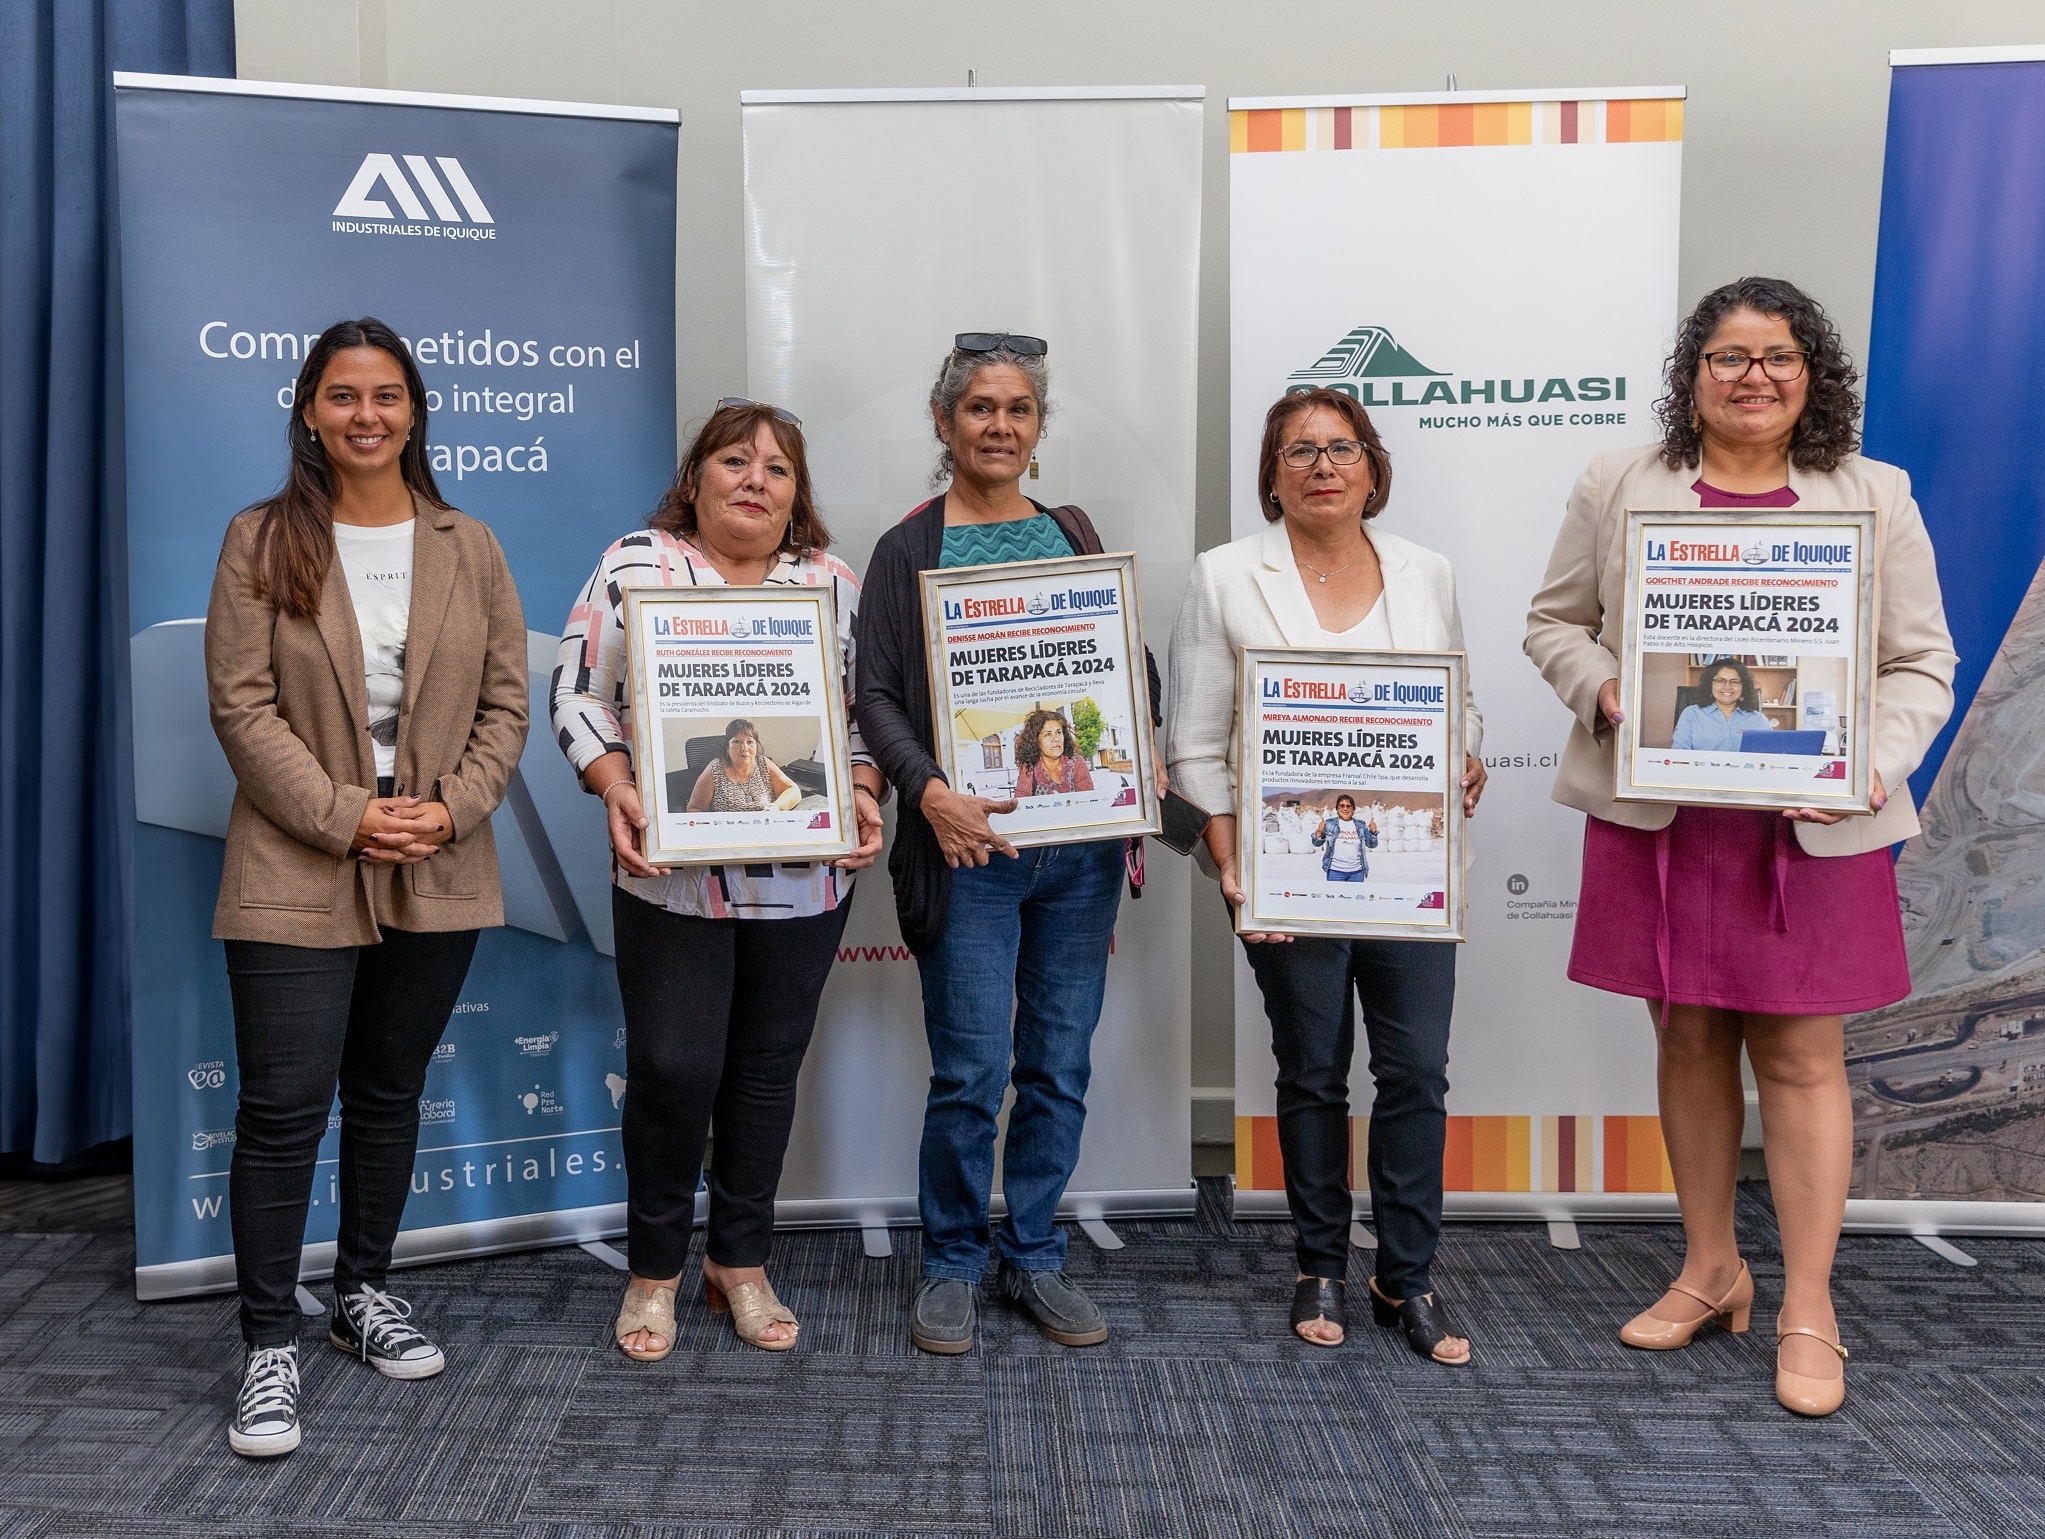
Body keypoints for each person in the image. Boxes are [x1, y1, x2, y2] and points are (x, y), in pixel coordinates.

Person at [1524, 277, 1957, 1417]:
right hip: (1664, 813)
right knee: (1684, 1036)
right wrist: (1608, 689)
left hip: (1810, 822)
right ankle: (1710, 1268)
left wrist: (1872, 764)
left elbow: (1920, 663)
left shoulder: (1873, 494)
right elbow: (1552, 622)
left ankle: (1806, 1304)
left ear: (1809, 373)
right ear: (1691, 374)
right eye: (1725, 357)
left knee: (1803, 1058)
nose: (1749, 376)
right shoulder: (1620, 483)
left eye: (1774, 356)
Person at [205, 318, 529, 1457]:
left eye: (387, 395)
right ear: (308, 410)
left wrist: (449, 807)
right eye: (343, 396)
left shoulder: (466, 541)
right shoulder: (262, 538)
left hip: (436, 852)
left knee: (388, 1093)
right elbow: (240, 708)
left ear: (414, 411)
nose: (366, 415)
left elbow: (507, 703)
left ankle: (359, 1296)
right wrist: (349, 815)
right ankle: (266, 1348)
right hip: (298, 854)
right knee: (285, 1112)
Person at [552, 400, 884, 1363]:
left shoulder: (831, 581)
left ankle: (739, 1260)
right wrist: (613, 783)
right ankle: (653, 1267)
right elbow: (576, 691)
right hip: (670, 877)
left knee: (763, 1072)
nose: (754, 480)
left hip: (804, 879)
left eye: (777, 469)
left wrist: (861, 789)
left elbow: (864, 714)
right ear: (694, 477)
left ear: (797, 495)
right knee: (670, 1068)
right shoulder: (636, 565)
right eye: (734, 461)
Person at [855, 333, 1163, 1355]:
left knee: (1058, 1066)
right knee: (970, 1072)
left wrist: (1140, 746)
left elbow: (1127, 666)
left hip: (1075, 858)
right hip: (968, 855)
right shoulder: (908, 550)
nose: (998, 425)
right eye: (978, 408)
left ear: (1038, 428)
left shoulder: (1072, 532)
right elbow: (878, 697)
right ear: (944, 425)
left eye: (1017, 409)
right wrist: (930, 791)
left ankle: (1031, 1254)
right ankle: (949, 1261)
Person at [1168, 387, 1486, 1361]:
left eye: (1340, 447)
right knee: (1310, 1074)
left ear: (1371, 467)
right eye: (1297, 450)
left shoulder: (1426, 573)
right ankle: (1317, 1264)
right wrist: (1230, 865)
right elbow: (1190, 746)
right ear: (1271, 473)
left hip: (1410, 878)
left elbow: (1458, 705)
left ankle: (1405, 1277)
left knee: (1414, 1076)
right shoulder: (1224, 577)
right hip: (1279, 878)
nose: (1320, 464)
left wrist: (1463, 754)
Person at [685, 718, 804, 812]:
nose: (744, 748)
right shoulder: (715, 770)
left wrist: (776, 807)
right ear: (727, 747)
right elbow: (694, 809)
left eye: (750, 742)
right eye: (737, 742)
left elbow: (793, 790)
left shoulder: (763, 763)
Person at [1671, 659, 1774, 750]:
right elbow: (1680, 753)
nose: (1727, 687)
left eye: (1735, 682)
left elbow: (1770, 756)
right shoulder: (1691, 714)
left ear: (1744, 687)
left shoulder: (1759, 720)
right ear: (1709, 684)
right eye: (1720, 681)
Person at [1011, 708, 1094, 798]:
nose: (1056, 739)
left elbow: (1089, 800)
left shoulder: (1076, 762)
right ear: (1035, 741)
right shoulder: (1029, 768)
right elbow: (1020, 803)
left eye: (1058, 732)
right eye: (1048, 734)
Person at [1313, 795, 1378, 883]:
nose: (1345, 809)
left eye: (1348, 806)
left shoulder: (1361, 825)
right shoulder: (1329, 824)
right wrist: (1319, 832)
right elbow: (1316, 844)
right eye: (1342, 806)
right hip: (1335, 871)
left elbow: (1372, 844)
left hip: (1357, 872)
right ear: (1337, 809)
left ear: (1353, 809)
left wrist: (1373, 832)